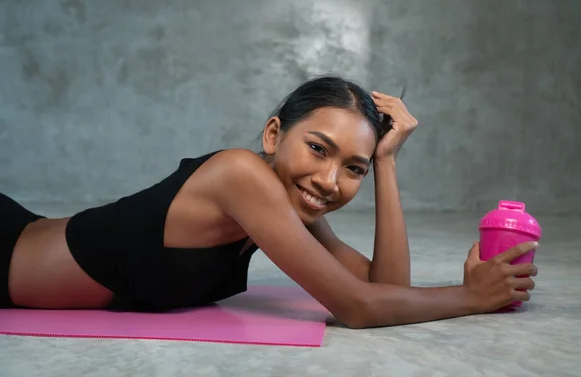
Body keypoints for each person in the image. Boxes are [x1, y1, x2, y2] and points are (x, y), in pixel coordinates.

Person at [1, 76, 538, 328]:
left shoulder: (287, 206)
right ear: (274, 134)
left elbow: (386, 290)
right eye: (318, 149)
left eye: (354, 168)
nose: (330, 181)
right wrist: (470, 298)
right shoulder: (240, 175)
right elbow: (358, 307)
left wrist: (387, 163)